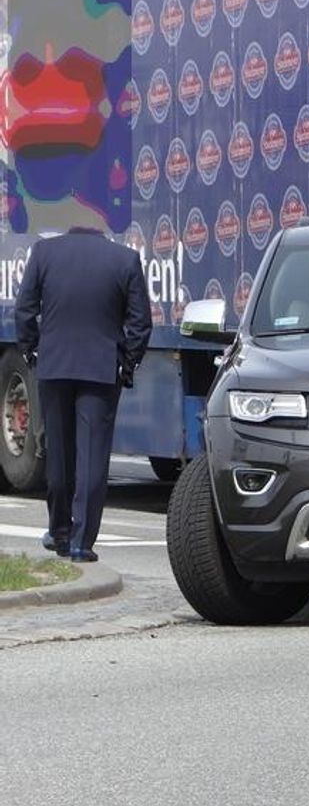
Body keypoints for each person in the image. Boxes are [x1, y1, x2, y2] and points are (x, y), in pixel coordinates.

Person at [15, 227, 152, 562]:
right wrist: (127, 364)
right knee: (92, 459)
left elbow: (24, 309)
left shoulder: (44, 253)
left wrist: (32, 352)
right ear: (102, 233)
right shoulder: (125, 259)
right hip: (101, 370)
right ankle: (81, 543)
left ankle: (58, 530)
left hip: (54, 365)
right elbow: (140, 323)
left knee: (58, 455)